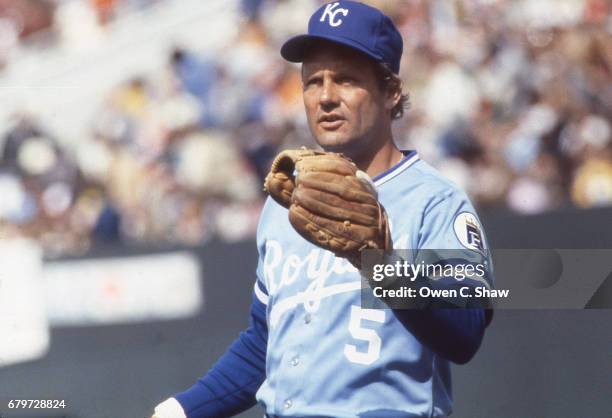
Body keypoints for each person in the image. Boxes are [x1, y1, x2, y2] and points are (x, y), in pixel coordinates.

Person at [152, 2, 493, 417]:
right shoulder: (286, 202)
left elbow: (465, 330)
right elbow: (263, 345)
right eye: (313, 82)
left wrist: (382, 265)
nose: (327, 96)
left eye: (346, 79)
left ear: (391, 91)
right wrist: (181, 410)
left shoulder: (435, 200)